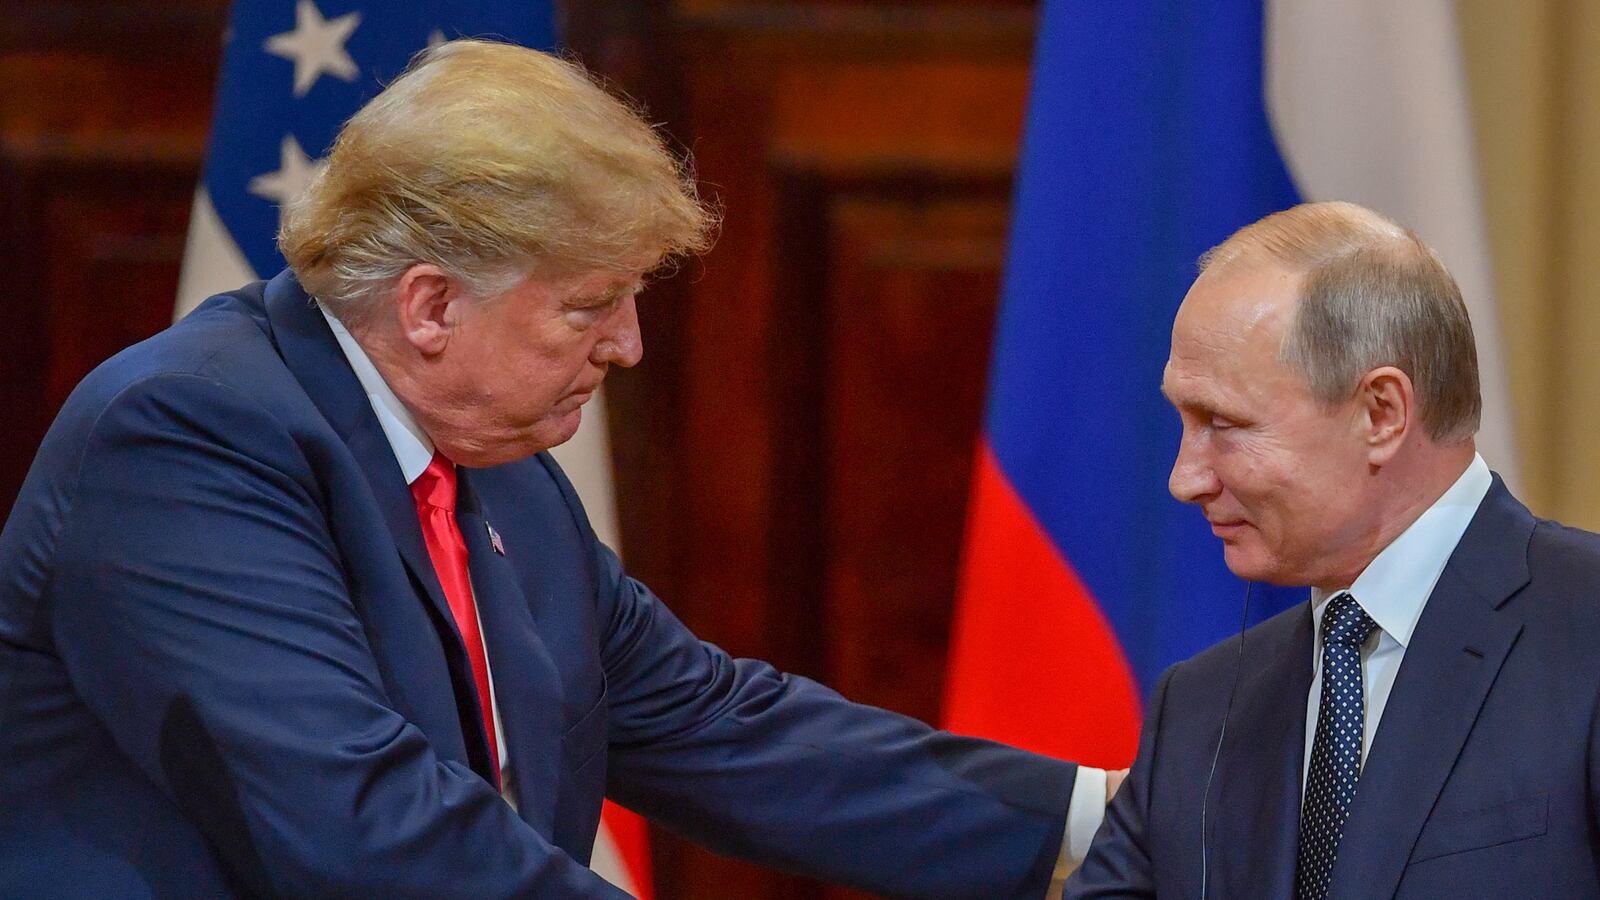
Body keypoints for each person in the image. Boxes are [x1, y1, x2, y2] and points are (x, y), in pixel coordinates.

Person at [0, 39, 1116, 899]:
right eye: (588, 306)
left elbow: (719, 728)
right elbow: (354, 822)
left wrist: (1105, 820)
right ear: (430, 303)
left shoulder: (500, 471)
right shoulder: (185, 437)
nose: (627, 347)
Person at [1066, 201, 1600, 899]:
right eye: (1183, 421)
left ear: (1380, 414)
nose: (1184, 478)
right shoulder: (1197, 713)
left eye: (1223, 424)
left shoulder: (1585, 633)